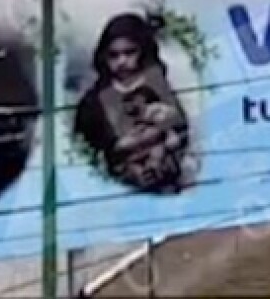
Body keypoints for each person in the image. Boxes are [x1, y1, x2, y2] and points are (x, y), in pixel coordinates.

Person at [73, 13, 193, 194]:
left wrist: (167, 123)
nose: (122, 61)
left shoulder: (157, 84)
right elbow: (88, 145)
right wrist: (117, 145)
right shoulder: (94, 101)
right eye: (113, 55)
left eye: (129, 53)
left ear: (143, 51)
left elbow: (180, 128)